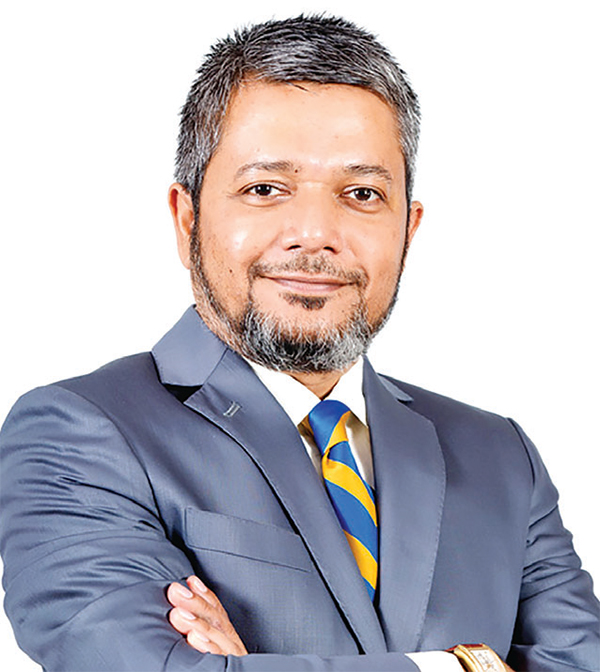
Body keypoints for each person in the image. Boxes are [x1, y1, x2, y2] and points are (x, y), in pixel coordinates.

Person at [0, 14, 598, 672]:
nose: (314, 233)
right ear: (186, 218)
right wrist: (464, 666)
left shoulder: (500, 456)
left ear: (409, 228)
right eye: (264, 189)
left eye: (362, 193)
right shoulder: (77, 433)